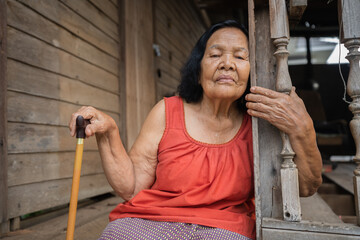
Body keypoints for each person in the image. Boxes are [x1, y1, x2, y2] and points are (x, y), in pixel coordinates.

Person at [69, 20, 322, 240]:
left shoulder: (260, 124)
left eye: (240, 56)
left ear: (252, 73)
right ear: (198, 71)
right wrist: (109, 133)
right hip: (151, 222)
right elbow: (131, 188)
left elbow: (305, 187)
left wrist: (303, 129)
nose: (227, 64)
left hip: (225, 230)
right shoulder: (167, 111)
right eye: (215, 55)